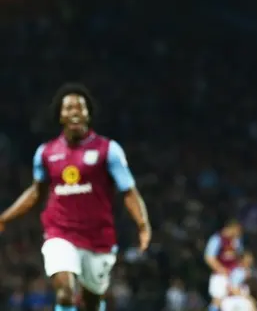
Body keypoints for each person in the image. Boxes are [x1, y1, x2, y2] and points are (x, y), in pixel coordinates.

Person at [0, 83, 151, 311]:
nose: (74, 112)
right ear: (60, 115)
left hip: (98, 238)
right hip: (59, 232)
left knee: (92, 301)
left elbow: (129, 191)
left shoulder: (108, 150)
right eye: (68, 108)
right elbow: (35, 192)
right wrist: (5, 217)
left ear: (88, 114)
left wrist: (143, 224)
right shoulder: (46, 153)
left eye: (80, 107)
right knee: (65, 292)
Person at [204, 219, 244, 311]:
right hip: (220, 275)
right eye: (238, 230)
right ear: (232, 228)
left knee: (236, 299)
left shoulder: (236, 241)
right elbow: (209, 257)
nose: (239, 233)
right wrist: (221, 269)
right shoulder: (216, 239)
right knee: (217, 300)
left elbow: (239, 256)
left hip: (234, 274)